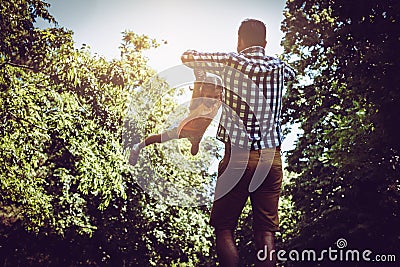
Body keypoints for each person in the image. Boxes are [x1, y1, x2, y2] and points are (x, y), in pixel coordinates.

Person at [181, 19, 295, 266]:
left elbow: (187, 56)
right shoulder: (280, 67)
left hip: (238, 157)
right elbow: (292, 74)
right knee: (266, 233)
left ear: (239, 40)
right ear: (265, 43)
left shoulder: (232, 61)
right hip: (270, 157)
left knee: (224, 228)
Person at [129, 73, 223, 165]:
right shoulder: (197, 103)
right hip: (183, 129)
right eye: (209, 96)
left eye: (215, 97)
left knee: (194, 152)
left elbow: (223, 92)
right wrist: (199, 76)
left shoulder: (217, 104)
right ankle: (138, 146)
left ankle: (195, 143)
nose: (212, 100)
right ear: (202, 94)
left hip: (198, 134)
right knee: (160, 138)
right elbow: (197, 88)